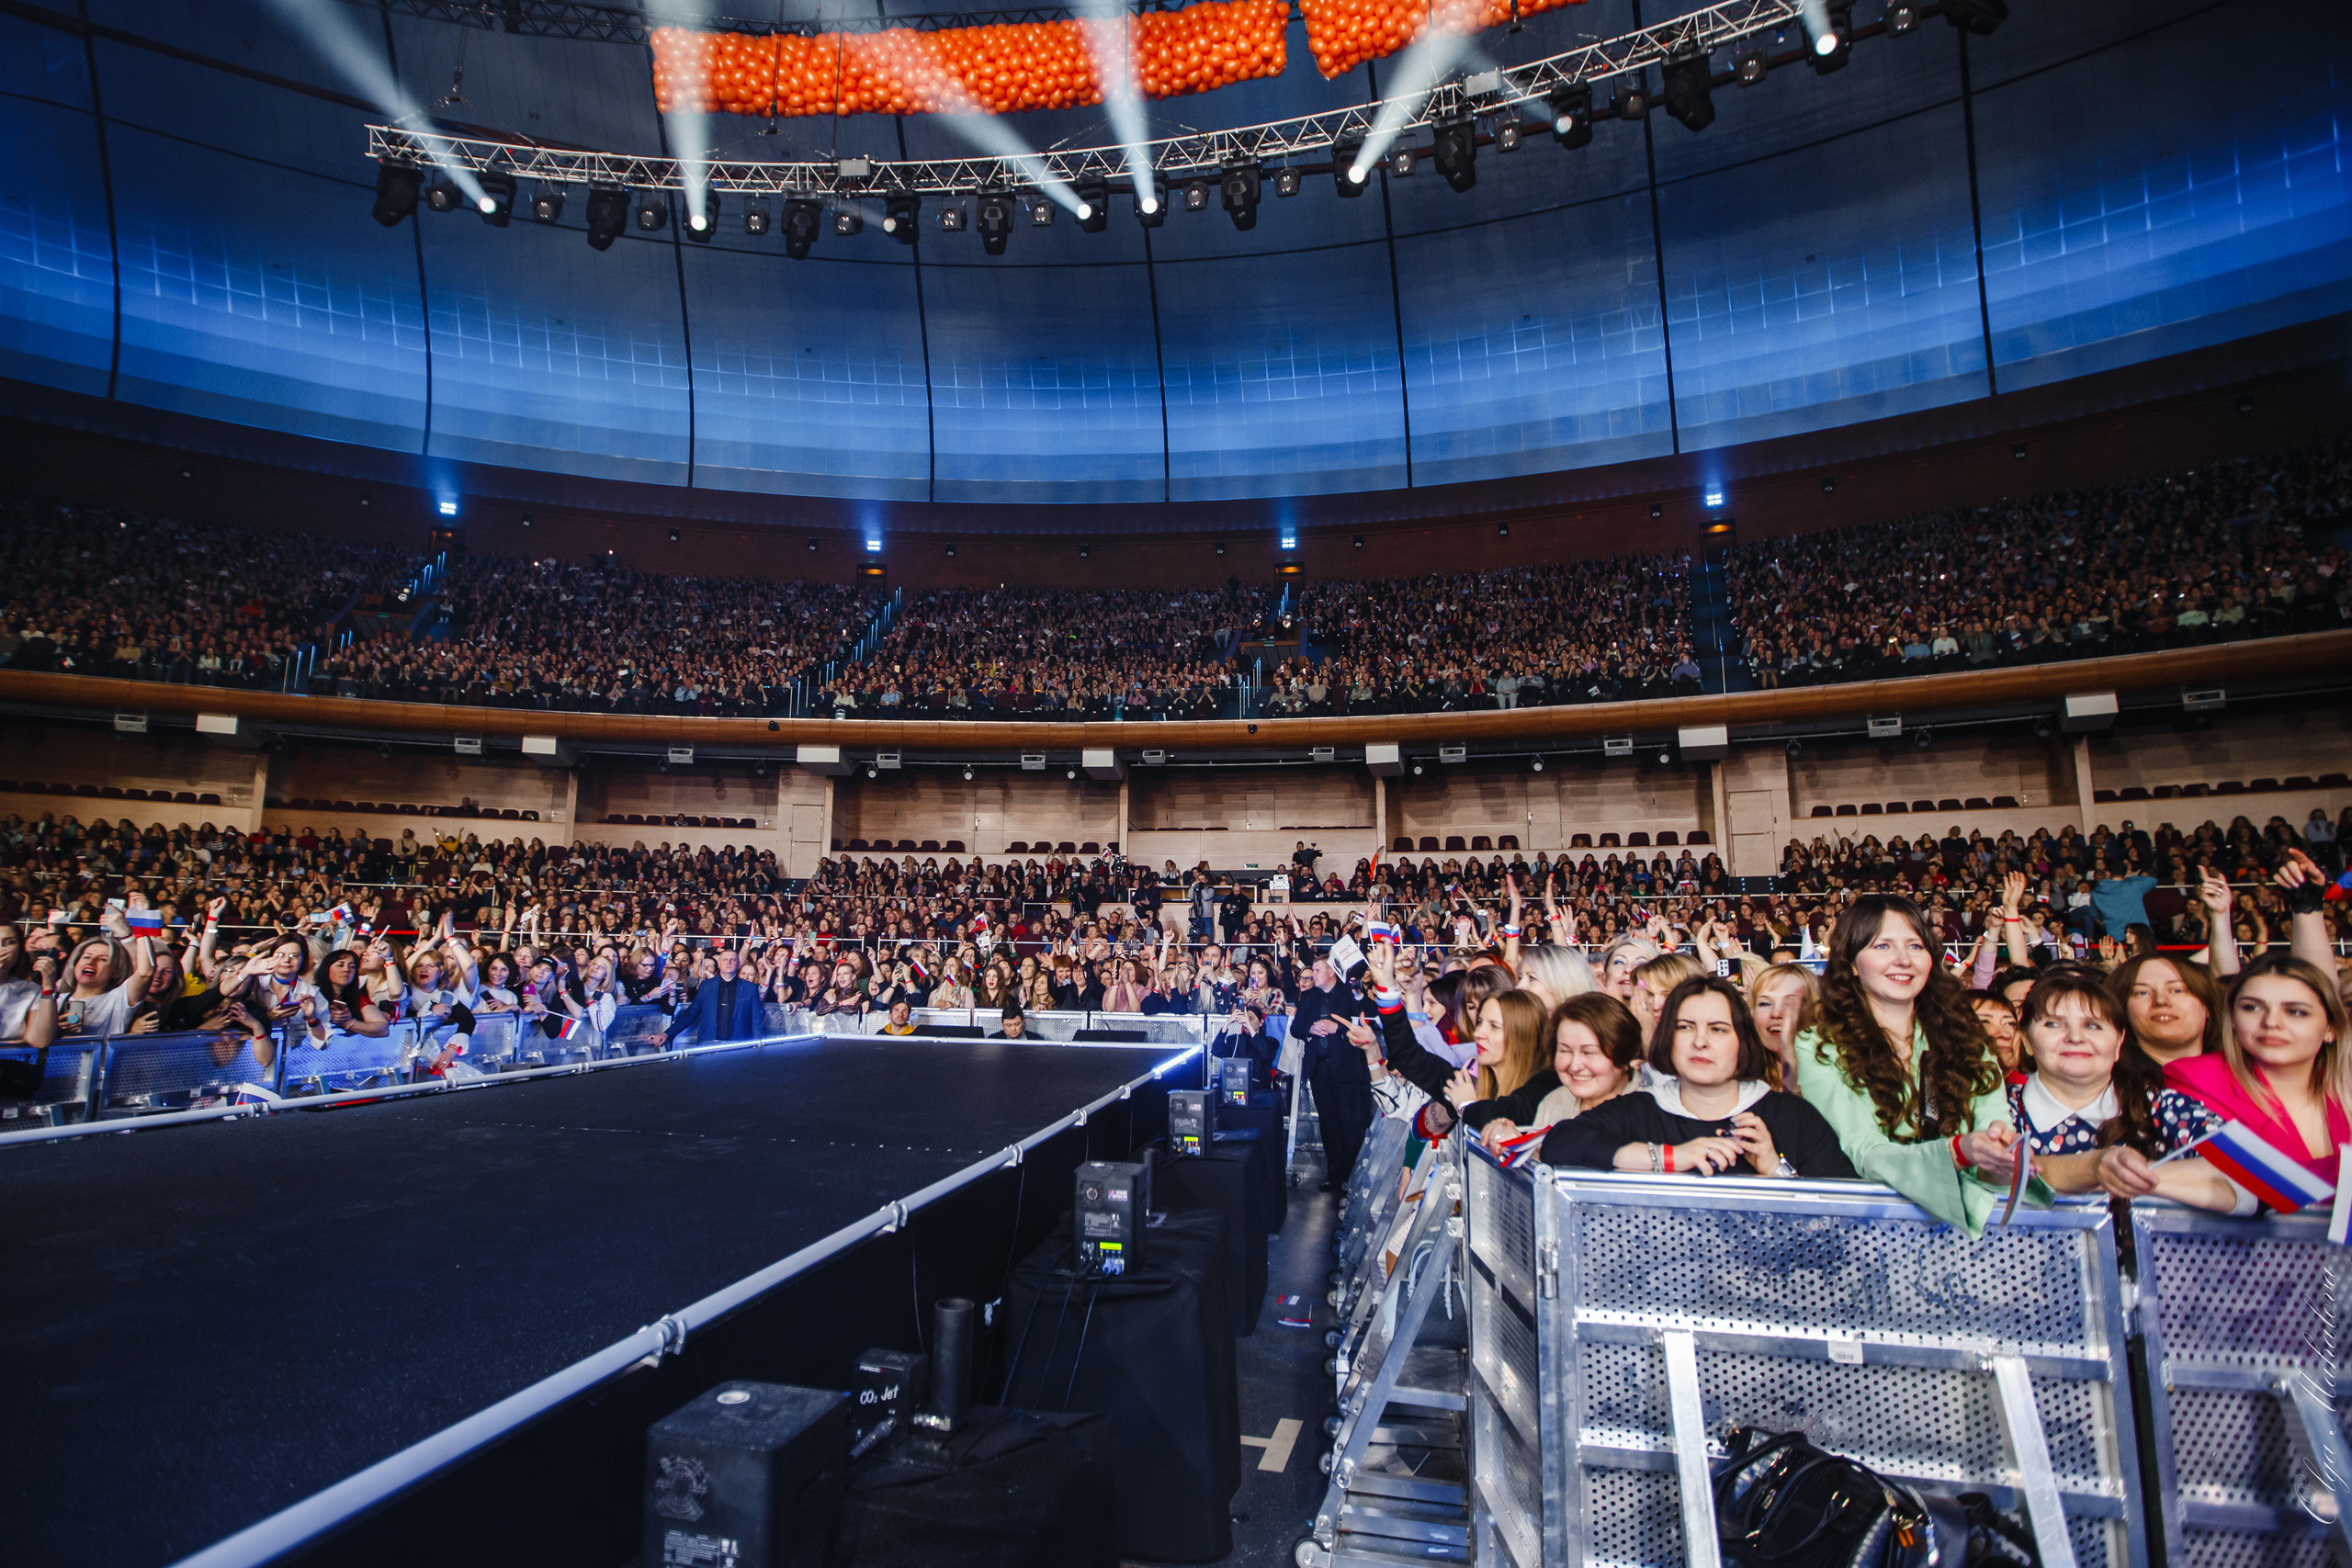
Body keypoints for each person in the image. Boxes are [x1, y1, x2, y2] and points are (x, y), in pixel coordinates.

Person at [1795, 894, 2025, 1234]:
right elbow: (1863, 1150)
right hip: (1870, 1230)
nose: (1903, 960)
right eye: (1883, 946)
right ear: (1853, 963)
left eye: (1915, 947)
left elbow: (1993, 1127)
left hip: (1972, 1234)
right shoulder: (1819, 1042)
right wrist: (1957, 1153)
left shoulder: (1964, 1033)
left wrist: (2001, 1159)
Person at [1544, 976, 1856, 1179]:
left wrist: (1776, 1170)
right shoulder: (1638, 1109)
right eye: (1685, 1027)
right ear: (1669, 1037)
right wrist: (1672, 1157)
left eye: (1718, 1029)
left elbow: (1840, 1221)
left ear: (1742, 1041)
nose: (1700, 1042)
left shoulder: (1792, 1116)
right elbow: (1561, 1143)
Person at [1995, 970, 2245, 1213]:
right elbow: (1980, 1178)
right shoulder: (1997, 1106)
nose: (2075, 1037)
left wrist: (2133, 1175)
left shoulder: (2159, 1105)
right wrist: (2095, 1170)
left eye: (2092, 1026)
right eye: (2053, 1024)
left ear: (2118, 1043)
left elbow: (2250, 1174)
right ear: (2025, 1040)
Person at [2164, 953, 2350, 1188]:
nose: (2271, 1022)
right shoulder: (2191, 1084)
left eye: (2296, 1011)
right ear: (2232, 1019)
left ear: (2330, 1028)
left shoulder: (2346, 1086)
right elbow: (2248, 1181)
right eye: (2252, 1008)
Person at [1467, 992, 1645, 1152]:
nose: (1575, 1066)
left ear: (1625, 1055)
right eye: (1565, 1051)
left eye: (1589, 1052)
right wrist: (1515, 1144)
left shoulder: (1649, 1112)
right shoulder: (1555, 1101)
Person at [2106, 951, 2224, 1067]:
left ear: (2207, 1005)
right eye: (2142, 992)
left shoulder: (2237, 1078)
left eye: (2177, 990)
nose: (2161, 1001)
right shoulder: (2106, 1084)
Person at [662, 944, 763, 1048]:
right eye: (725, 960)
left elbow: (756, 1021)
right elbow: (690, 1014)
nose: (728, 962)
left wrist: (758, 1048)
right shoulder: (706, 986)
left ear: (738, 964)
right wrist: (667, 1034)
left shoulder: (750, 988)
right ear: (719, 964)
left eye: (733, 960)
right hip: (708, 1043)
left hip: (739, 1046)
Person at [1746, 963, 1819, 1089]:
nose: (1776, 1013)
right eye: (1764, 1003)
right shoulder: (1744, 1080)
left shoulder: (1835, 1074)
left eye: (1789, 1003)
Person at [0, 920, 59, 1048]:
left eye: (10, 942)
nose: (2, 948)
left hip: (10, 1063)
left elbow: (40, 1040)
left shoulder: (31, 989)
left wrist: (48, 987)